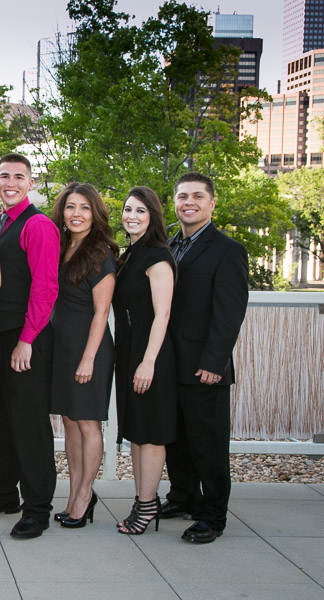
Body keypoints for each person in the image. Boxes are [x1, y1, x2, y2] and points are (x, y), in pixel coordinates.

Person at [161, 172, 249, 544]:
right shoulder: (167, 243)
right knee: (175, 437)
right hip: (169, 362)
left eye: (198, 196)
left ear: (212, 203)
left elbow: (229, 313)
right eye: (183, 196)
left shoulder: (228, 250)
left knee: (208, 443)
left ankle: (212, 515)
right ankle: (183, 497)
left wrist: (215, 362)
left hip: (204, 365)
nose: (189, 202)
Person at [0, 153, 59, 540]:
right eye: (3, 176)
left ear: (30, 183)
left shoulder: (39, 225)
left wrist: (27, 339)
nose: (10, 182)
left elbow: (46, 288)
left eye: (18, 176)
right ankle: (1, 493)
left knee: (29, 424)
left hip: (25, 337)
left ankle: (37, 508)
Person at [48, 183, 117, 529]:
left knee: (88, 423)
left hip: (89, 348)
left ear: (96, 213)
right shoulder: (60, 246)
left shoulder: (100, 252)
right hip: (61, 348)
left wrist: (89, 358)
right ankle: (74, 493)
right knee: (70, 423)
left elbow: (102, 313)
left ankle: (85, 495)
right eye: (71, 207)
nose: (77, 214)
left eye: (85, 208)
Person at [112, 186, 177, 535]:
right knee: (136, 432)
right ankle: (142, 499)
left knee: (150, 433)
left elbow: (162, 315)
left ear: (152, 216)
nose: (131, 216)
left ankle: (148, 503)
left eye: (140, 211)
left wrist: (148, 361)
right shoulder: (129, 255)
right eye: (127, 209)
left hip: (150, 355)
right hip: (129, 352)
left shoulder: (157, 257)